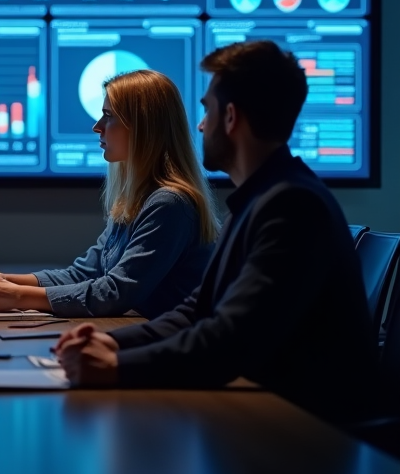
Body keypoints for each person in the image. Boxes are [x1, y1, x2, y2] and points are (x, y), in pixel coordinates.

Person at [55, 41, 377, 423]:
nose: (201, 123)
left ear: (230, 118)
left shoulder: (291, 208)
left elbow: (229, 339)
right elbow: (198, 310)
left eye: (207, 109)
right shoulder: (262, 200)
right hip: (263, 416)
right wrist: (109, 342)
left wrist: (117, 367)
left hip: (299, 438)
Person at [0, 70, 218, 319]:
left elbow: (115, 292)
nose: (97, 127)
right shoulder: (136, 198)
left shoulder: (169, 204)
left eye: (108, 116)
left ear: (143, 126)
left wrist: (18, 296)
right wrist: (5, 281)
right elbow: (85, 272)